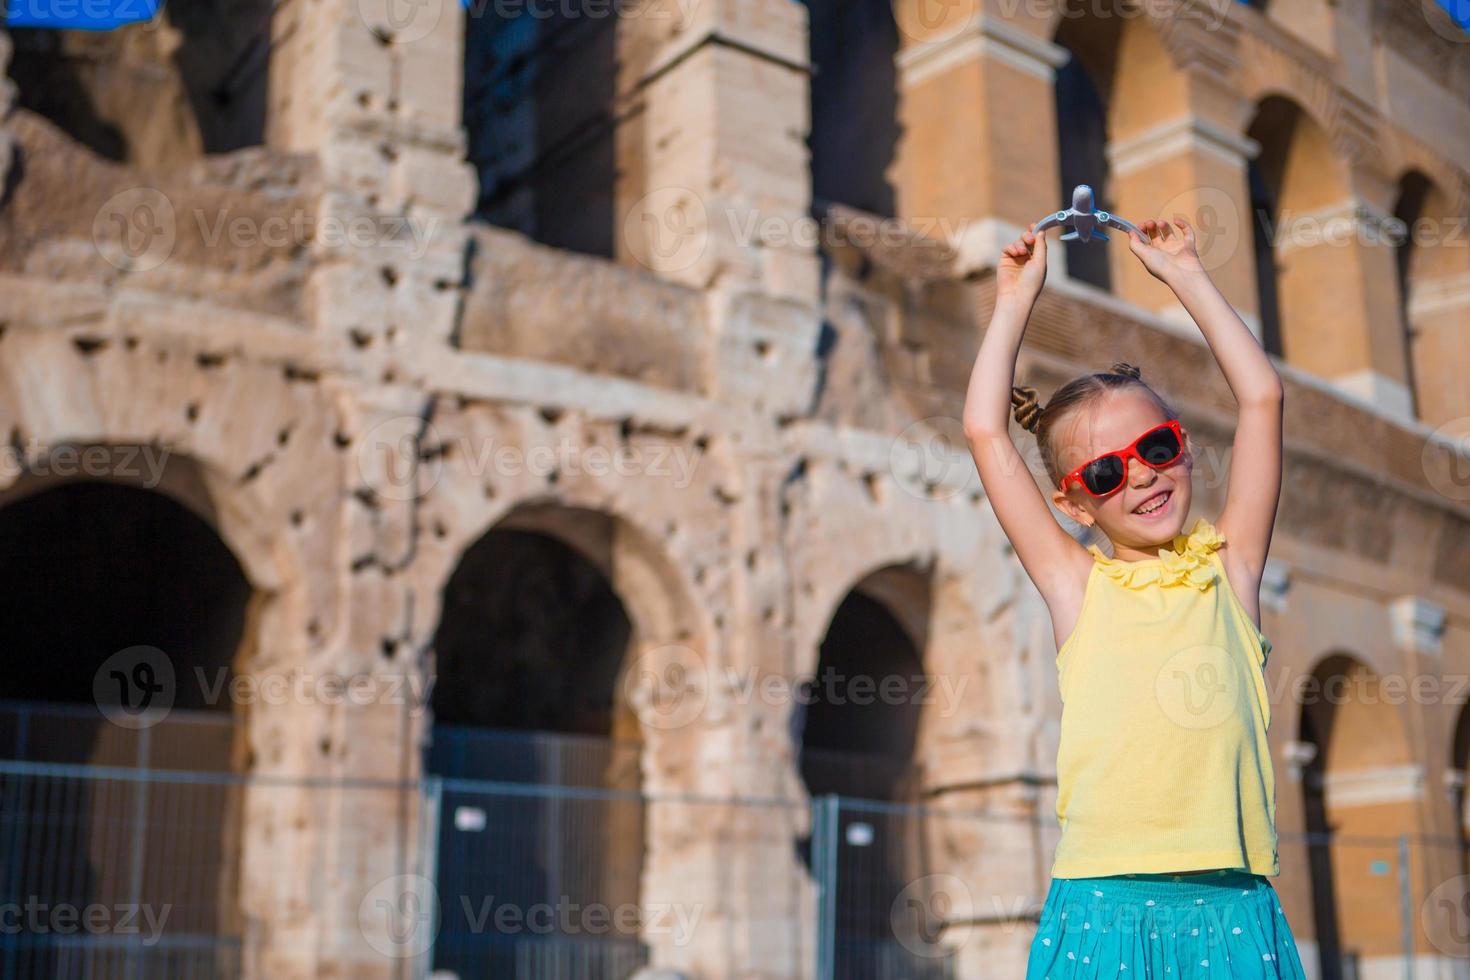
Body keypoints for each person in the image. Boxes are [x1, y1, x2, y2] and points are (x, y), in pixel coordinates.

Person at [961, 216, 1308, 977]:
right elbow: (986, 430)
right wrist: (1015, 300)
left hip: (1235, 908)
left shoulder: (1232, 568)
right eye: (1107, 473)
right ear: (1075, 505)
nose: (1143, 475)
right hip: (1101, 906)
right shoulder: (1074, 585)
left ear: (1181, 446)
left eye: (1155, 449)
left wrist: (1185, 273)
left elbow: (1262, 398)